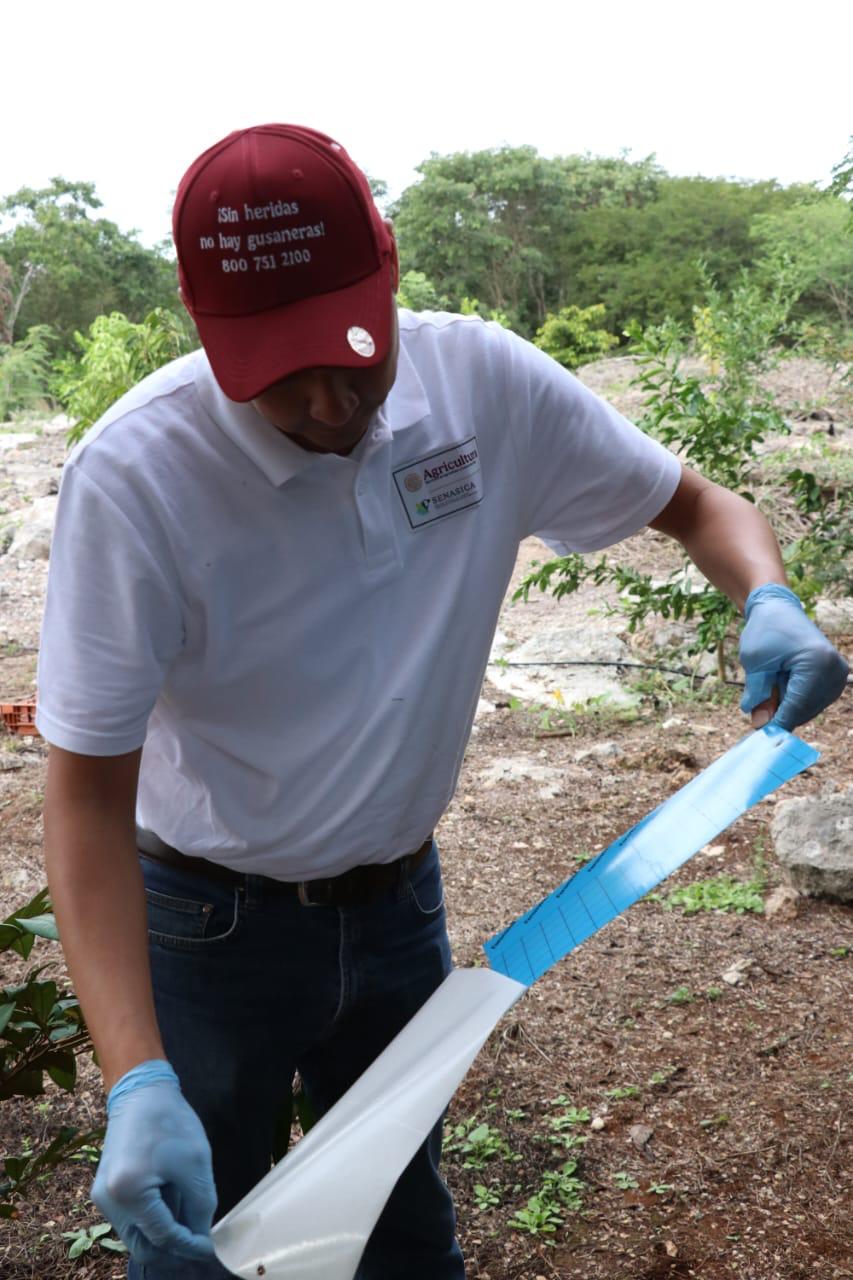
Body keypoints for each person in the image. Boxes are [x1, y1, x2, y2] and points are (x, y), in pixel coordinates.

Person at [37, 123, 848, 1280]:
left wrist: (767, 594)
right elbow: (84, 797)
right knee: (203, 1239)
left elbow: (701, 507)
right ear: (203, 329)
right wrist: (135, 1077)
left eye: (353, 356)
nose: (327, 402)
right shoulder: (136, 476)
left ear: (391, 271)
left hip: (396, 906)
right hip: (206, 926)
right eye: (278, 373)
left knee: (398, 1227)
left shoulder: (484, 386)